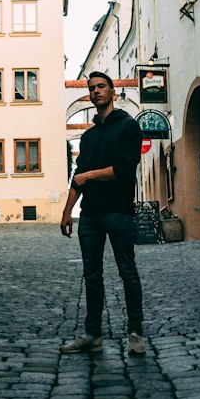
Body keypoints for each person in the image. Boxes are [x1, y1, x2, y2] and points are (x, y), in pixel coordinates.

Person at [60, 71, 145, 355]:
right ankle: (93, 335)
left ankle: (135, 332)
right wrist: (67, 210)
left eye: (101, 87)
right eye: (91, 88)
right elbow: (78, 174)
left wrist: (89, 177)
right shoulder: (89, 136)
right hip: (91, 216)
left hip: (119, 212)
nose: (96, 91)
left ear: (112, 93)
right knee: (92, 275)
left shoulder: (129, 127)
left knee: (127, 272)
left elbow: (123, 170)